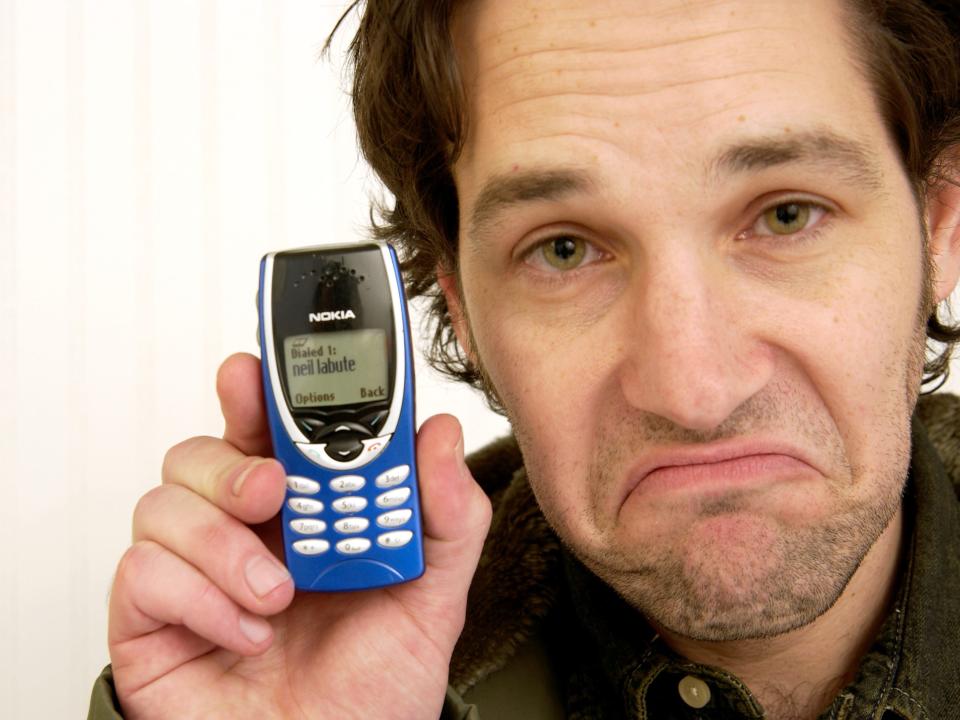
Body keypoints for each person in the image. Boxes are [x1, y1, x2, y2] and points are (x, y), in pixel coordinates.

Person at [88, 0, 960, 718]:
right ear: (459, 307)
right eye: (567, 250)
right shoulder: (346, 664)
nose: (695, 389)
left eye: (785, 215)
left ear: (939, 228)